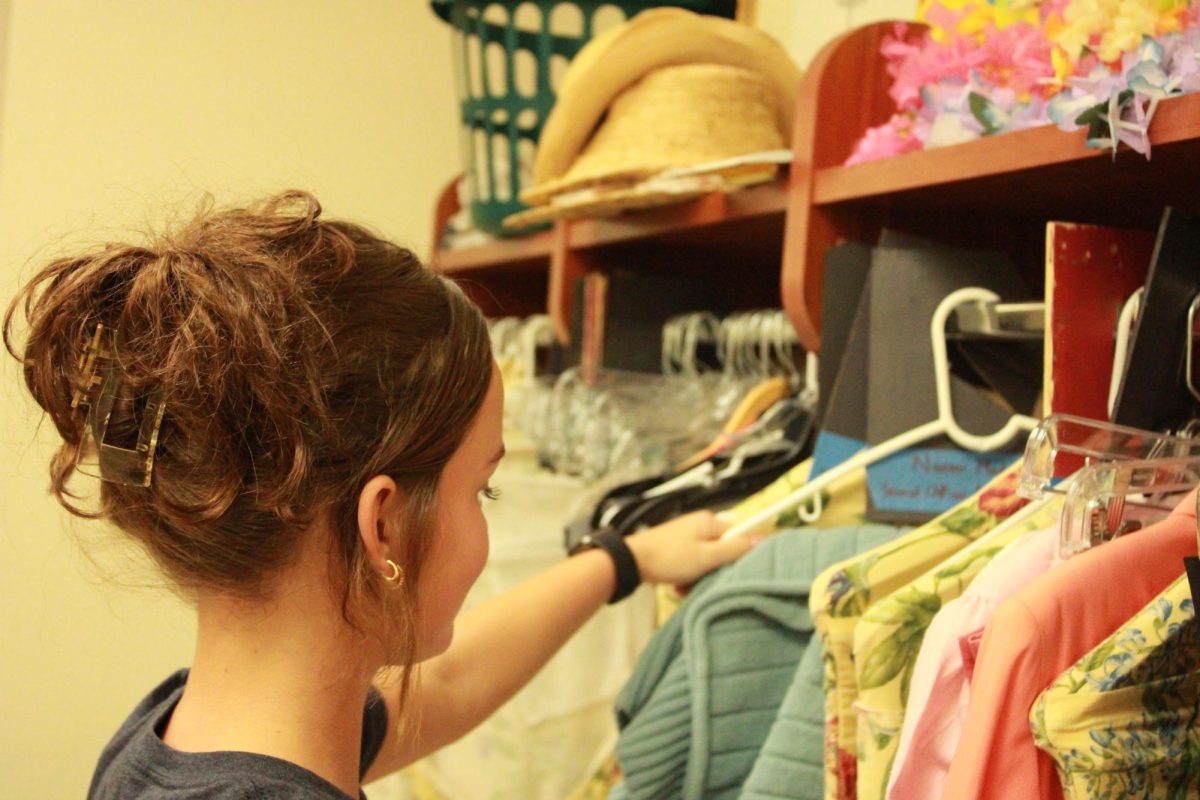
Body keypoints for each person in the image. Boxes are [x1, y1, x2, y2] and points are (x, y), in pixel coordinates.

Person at [5, 190, 757, 799]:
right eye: (482, 491)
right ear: (385, 525)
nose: (484, 512)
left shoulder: (177, 737)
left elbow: (450, 683)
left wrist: (621, 560)